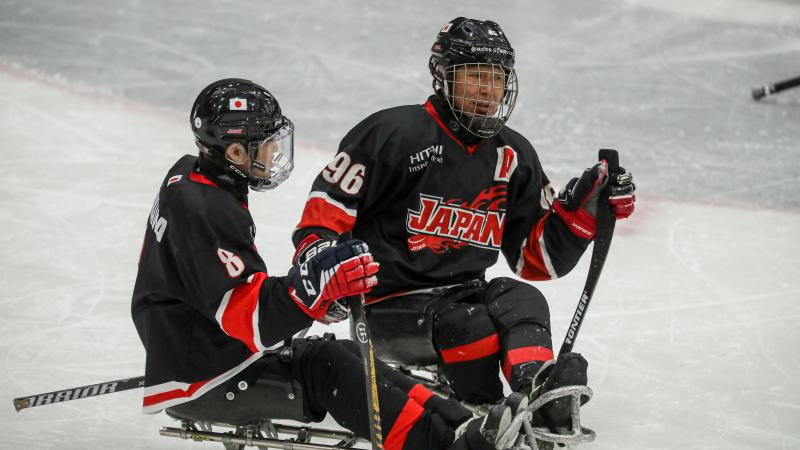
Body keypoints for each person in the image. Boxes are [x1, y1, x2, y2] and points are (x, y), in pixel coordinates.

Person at [131, 78, 524, 450]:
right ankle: (444, 444)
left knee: (347, 354)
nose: (274, 152)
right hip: (204, 373)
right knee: (331, 367)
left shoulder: (194, 178)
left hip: (204, 348)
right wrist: (311, 286)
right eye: (266, 144)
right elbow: (248, 319)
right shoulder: (205, 208)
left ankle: (462, 425)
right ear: (235, 153)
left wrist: (313, 288)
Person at [292, 17, 636, 433]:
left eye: (495, 79)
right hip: (387, 308)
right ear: (442, 77)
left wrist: (583, 214)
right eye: (473, 76)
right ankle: (484, 410)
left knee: (522, 298)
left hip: (462, 295)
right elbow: (324, 215)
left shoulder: (514, 154)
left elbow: (535, 260)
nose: (486, 91)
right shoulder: (391, 134)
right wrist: (326, 271)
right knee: (470, 324)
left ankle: (535, 391)